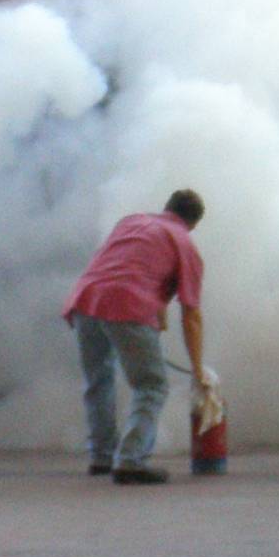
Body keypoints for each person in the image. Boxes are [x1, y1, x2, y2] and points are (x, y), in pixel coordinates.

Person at [61, 190, 208, 486]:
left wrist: (157, 311)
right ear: (192, 224)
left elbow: (129, 264)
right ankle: (130, 460)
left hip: (87, 299)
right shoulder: (185, 243)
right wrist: (197, 369)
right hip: (126, 304)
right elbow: (191, 314)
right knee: (152, 385)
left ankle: (101, 456)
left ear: (166, 208)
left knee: (98, 380)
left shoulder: (132, 222)